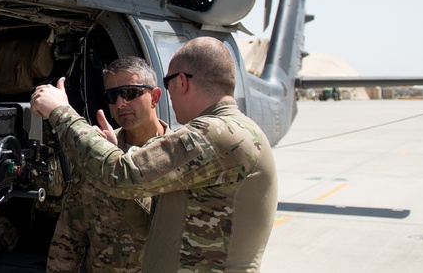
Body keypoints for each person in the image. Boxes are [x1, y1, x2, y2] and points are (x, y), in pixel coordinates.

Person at [31, 37, 277, 273]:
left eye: (168, 83)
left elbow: (122, 174)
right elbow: (150, 224)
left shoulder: (217, 133)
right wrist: (108, 153)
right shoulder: (230, 132)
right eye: (112, 96)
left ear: (181, 82)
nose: (120, 103)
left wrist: (61, 112)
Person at [48, 57, 170, 273]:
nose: (121, 103)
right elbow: (70, 233)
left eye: (130, 93)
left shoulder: (176, 155)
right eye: (112, 96)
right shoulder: (96, 151)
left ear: (155, 97)